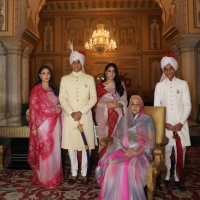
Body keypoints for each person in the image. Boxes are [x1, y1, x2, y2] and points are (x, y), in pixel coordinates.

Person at [95, 95, 155, 200]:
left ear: (142, 106)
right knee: (111, 165)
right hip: (123, 151)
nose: (135, 106)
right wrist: (124, 149)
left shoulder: (147, 119)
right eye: (132, 104)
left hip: (141, 153)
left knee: (128, 167)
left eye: (138, 104)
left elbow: (151, 140)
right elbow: (117, 137)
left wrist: (138, 151)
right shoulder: (124, 119)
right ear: (129, 105)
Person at [154, 53, 191, 192]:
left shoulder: (183, 84)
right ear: (163, 70)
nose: (168, 71)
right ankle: (167, 175)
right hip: (166, 126)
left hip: (180, 126)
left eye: (170, 68)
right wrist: (164, 123)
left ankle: (177, 177)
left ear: (175, 69)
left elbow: (187, 106)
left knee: (180, 152)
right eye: (165, 69)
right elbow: (158, 107)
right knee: (167, 151)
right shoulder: (159, 85)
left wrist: (181, 122)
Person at [59, 48, 97, 185]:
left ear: (82, 63)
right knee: (71, 147)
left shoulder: (89, 79)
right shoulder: (64, 79)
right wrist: (71, 112)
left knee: (85, 146)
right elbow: (62, 99)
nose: (76, 65)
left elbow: (93, 98)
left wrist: (81, 111)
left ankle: (84, 173)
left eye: (78, 62)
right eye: (74, 62)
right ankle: (74, 173)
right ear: (70, 63)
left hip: (85, 117)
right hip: (70, 118)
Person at [28, 65, 63, 188]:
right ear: (39, 75)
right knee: (45, 150)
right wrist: (33, 127)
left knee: (54, 149)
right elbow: (33, 109)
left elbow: (60, 102)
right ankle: (44, 177)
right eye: (43, 73)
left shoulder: (55, 88)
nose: (46, 75)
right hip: (42, 124)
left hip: (55, 123)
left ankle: (54, 176)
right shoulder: (36, 90)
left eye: (48, 73)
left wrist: (59, 107)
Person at [94, 63, 127, 159]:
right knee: (105, 140)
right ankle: (104, 163)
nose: (111, 73)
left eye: (113, 71)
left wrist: (116, 105)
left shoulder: (120, 85)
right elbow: (96, 104)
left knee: (117, 140)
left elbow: (124, 99)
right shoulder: (99, 87)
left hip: (118, 118)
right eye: (109, 71)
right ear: (105, 72)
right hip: (104, 120)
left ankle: (116, 163)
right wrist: (107, 106)